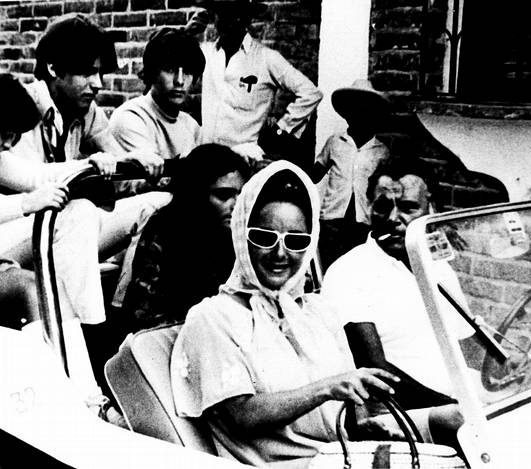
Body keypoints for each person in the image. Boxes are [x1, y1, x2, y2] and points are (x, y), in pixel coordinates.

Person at [171, 160, 401, 468]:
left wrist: (364, 427)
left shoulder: (318, 312)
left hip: (339, 459)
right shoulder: (213, 316)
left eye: (296, 241)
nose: (280, 253)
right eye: (264, 237)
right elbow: (241, 415)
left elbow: (348, 410)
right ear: (242, 237)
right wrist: (327, 388)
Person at [0, 13, 172, 311]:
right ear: (53, 67)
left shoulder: (87, 111)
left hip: (60, 226)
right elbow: (30, 181)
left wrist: (143, 166)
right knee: (81, 212)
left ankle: (127, 313)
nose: (97, 84)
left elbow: (120, 171)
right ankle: (80, 322)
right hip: (10, 236)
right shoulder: (21, 103)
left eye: (99, 73)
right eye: (87, 73)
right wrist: (90, 165)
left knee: (158, 202)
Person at [0, 70, 105, 402]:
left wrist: (92, 164)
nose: (9, 144)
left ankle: (87, 382)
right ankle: (76, 397)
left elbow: (37, 176)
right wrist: (25, 204)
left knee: (75, 212)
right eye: (6, 134)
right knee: (29, 286)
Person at [321, 156, 473, 445]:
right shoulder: (349, 271)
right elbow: (377, 372)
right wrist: (462, 407)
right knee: (467, 424)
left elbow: (467, 347)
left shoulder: (438, 266)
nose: (393, 218)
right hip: (392, 414)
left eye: (408, 208)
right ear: (369, 208)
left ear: (431, 209)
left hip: (454, 404)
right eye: (382, 206)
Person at [121, 143, 250, 331]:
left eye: (242, 195)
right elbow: (145, 313)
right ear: (197, 194)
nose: (237, 205)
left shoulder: (248, 233)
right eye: (224, 195)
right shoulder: (165, 229)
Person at [186, 0, 323, 163]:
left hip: (244, 160)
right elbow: (169, 59)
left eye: (235, 15)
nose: (227, 22)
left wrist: (281, 129)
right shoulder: (206, 53)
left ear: (247, 19)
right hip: (206, 157)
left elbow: (310, 93)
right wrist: (186, 34)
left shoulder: (266, 58)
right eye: (222, 14)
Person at [312, 79, 392, 269]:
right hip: (332, 219)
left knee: (356, 268)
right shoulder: (335, 142)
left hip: (363, 222)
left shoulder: (381, 151)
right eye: (355, 110)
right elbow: (315, 174)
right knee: (329, 265)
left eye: (366, 110)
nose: (360, 115)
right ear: (348, 114)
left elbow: (384, 191)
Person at [109, 28, 205, 165]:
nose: (179, 81)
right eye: (170, 69)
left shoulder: (191, 126)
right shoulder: (130, 117)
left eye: (187, 71)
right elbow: (152, 172)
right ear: (152, 72)